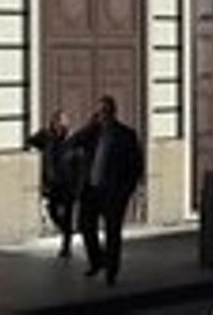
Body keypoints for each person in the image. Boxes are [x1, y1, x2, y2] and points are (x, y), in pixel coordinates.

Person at [70, 94, 145, 286]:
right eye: (100, 112)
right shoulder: (92, 133)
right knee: (86, 227)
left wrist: (126, 191)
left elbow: (136, 166)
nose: (102, 115)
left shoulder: (126, 135)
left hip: (113, 192)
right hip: (92, 189)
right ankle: (96, 261)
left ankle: (111, 271)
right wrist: (88, 126)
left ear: (113, 112)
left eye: (105, 111)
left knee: (112, 232)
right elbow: (71, 143)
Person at [27, 109, 82, 256]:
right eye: (55, 121)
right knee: (53, 211)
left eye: (61, 121)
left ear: (66, 124)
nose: (58, 124)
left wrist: (78, 186)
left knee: (68, 214)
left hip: (68, 183)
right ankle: (67, 231)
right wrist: (41, 134)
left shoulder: (72, 140)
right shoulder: (48, 138)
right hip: (53, 183)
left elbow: (79, 164)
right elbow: (31, 141)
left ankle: (66, 247)